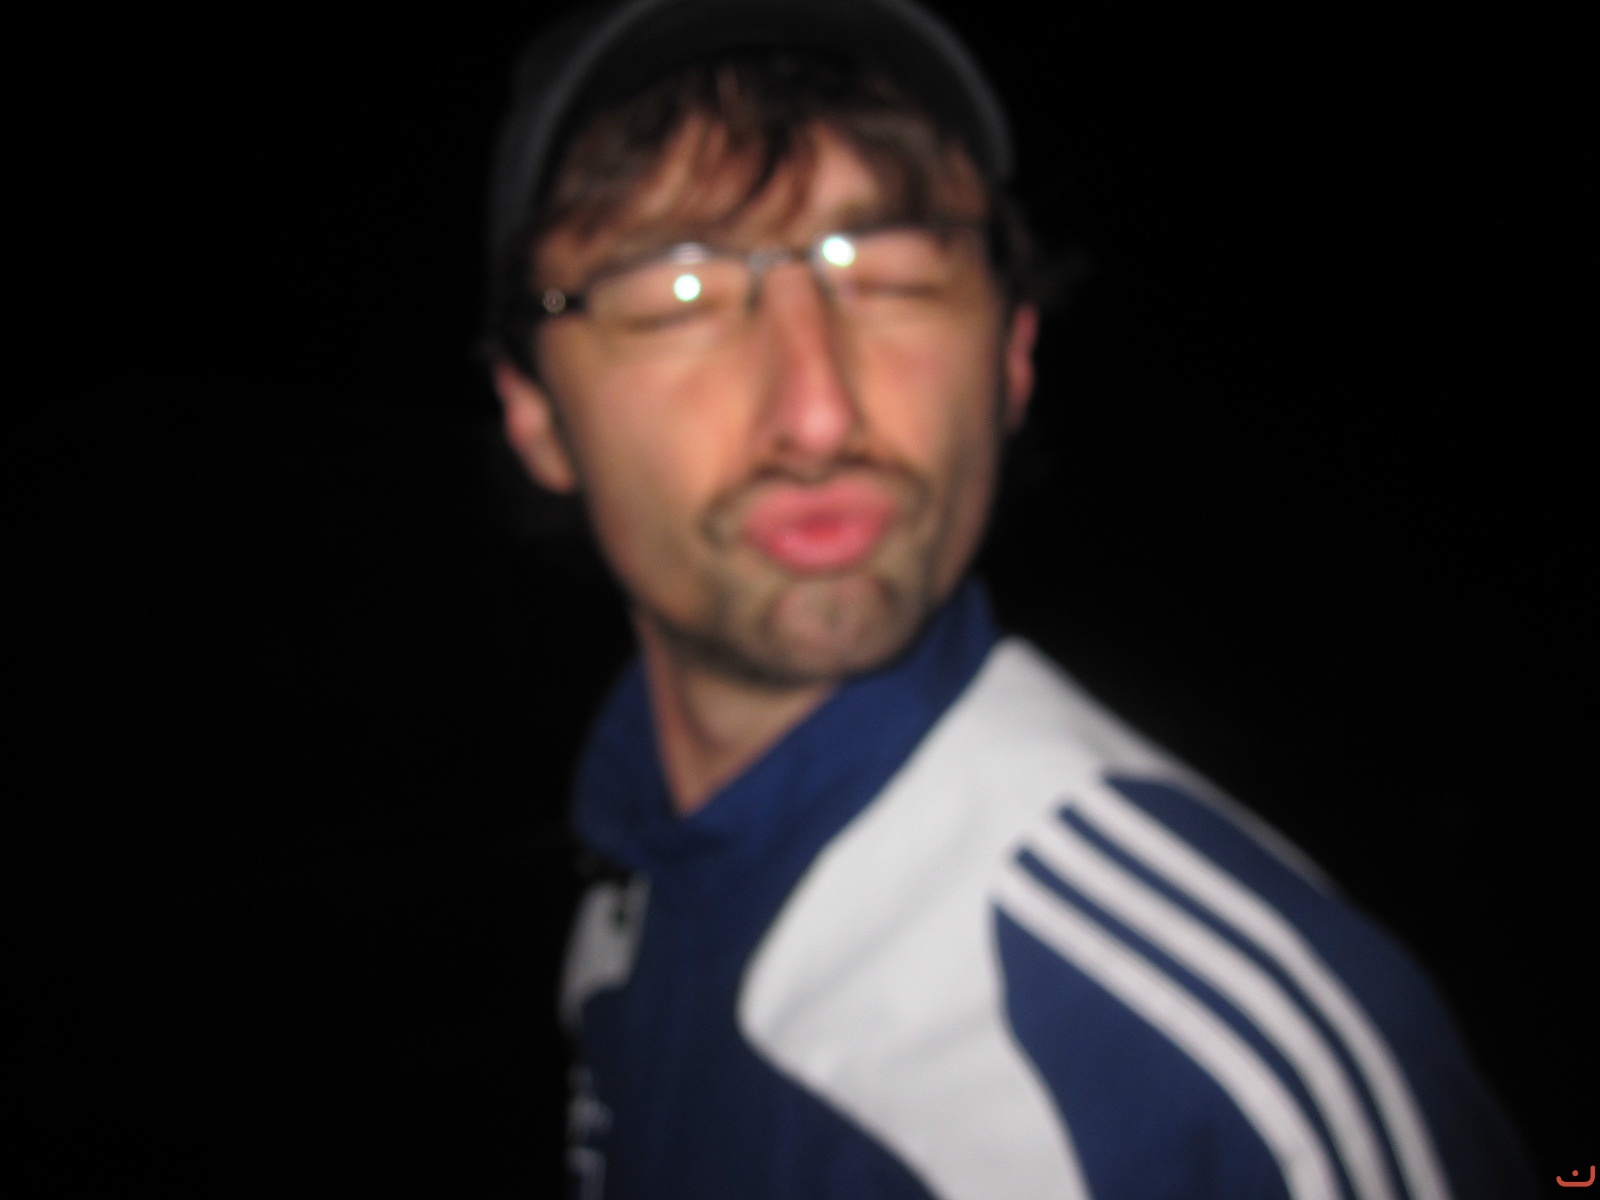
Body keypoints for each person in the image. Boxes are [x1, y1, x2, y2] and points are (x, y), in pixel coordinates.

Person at [484, 1, 1531, 1196]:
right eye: (677, 288)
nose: (817, 414)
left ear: (1013, 356)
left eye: (891, 272)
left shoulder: (1210, 1084)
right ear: (533, 409)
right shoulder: (629, 903)